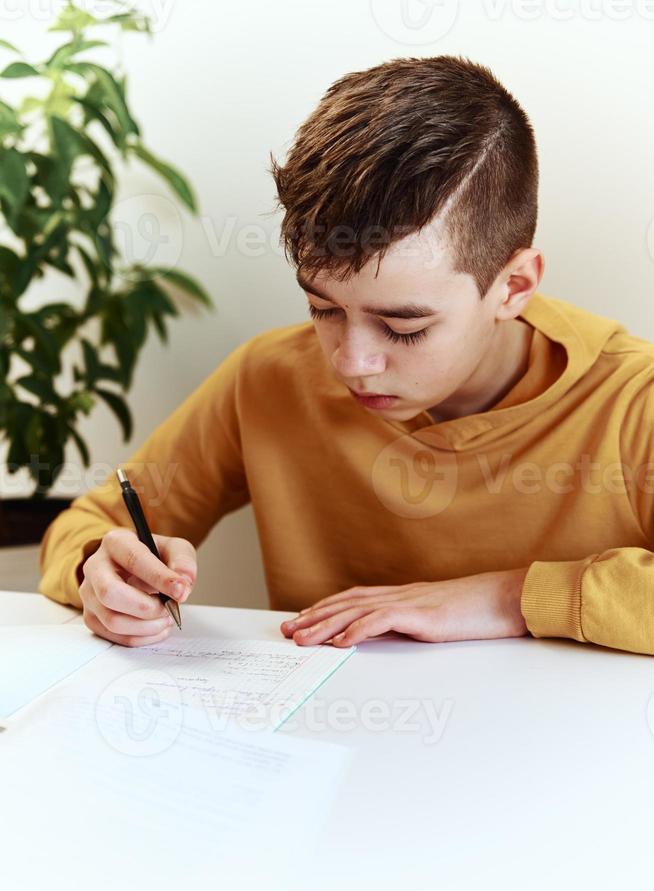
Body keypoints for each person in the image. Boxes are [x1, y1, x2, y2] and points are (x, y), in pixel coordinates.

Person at [39, 55, 654, 655]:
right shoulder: (269, 377)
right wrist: (102, 570)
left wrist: (507, 598)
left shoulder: (635, 401)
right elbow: (87, 525)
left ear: (514, 287)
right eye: (324, 309)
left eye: (403, 327)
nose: (351, 362)